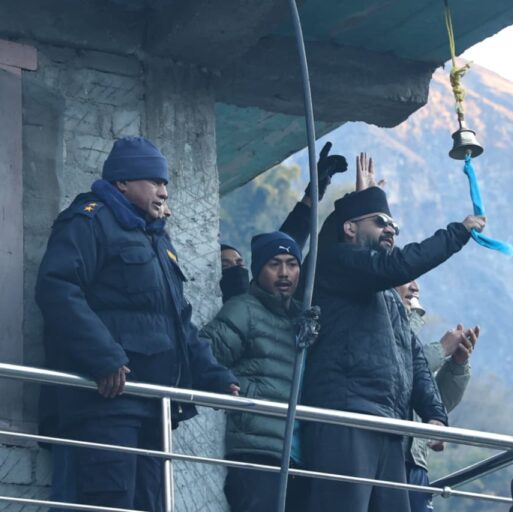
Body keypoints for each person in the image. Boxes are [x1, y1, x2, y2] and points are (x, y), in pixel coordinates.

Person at [35, 136, 240, 512]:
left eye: (165, 183)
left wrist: (215, 376)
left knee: (151, 503)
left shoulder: (157, 239)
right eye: (155, 181)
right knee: (107, 502)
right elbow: (57, 289)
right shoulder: (88, 221)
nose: (164, 192)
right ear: (122, 182)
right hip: (106, 405)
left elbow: (178, 321)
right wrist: (104, 357)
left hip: (154, 408)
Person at [300, 153, 488, 512]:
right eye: (381, 221)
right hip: (346, 416)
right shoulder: (333, 263)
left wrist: (434, 414)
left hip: (390, 426)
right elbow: (395, 264)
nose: (391, 230)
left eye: (395, 227)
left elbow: (413, 358)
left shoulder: (387, 296)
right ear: (349, 228)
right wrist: (458, 233)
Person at [200, 231, 307, 512]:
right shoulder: (243, 309)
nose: (284, 273)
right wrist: (223, 382)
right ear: (258, 269)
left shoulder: (303, 318)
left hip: (299, 456)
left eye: (292, 264)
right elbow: (203, 353)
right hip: (256, 453)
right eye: (274, 264)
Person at [218, 141, 347, 304]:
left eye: (239, 263)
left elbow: (290, 237)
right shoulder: (225, 316)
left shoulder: (265, 302)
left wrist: (315, 189)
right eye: (225, 266)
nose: (236, 270)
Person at [396, 280, 477, 512]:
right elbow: (398, 369)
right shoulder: (376, 327)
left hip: (415, 462)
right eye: (408, 277)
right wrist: (441, 349)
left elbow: (438, 401)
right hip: (389, 456)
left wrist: (457, 366)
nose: (415, 287)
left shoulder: (412, 336)